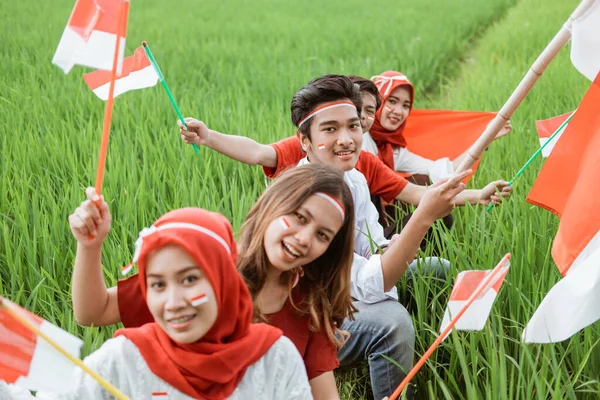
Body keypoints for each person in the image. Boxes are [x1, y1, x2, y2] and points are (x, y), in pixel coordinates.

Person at [3, 206, 312, 399]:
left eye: (190, 279)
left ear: (224, 282)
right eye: (157, 285)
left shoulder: (273, 359)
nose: (173, 302)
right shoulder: (124, 360)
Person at [367, 70, 512, 182]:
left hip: (372, 215)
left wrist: (486, 137)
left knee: (429, 185)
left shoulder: (392, 151)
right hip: (350, 215)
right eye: (392, 101)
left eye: (406, 105)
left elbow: (448, 171)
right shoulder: (359, 136)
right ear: (376, 101)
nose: (399, 111)